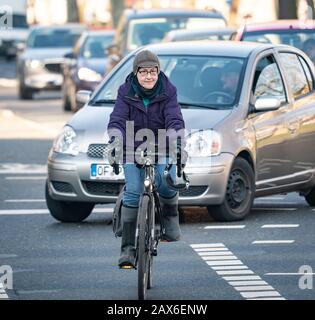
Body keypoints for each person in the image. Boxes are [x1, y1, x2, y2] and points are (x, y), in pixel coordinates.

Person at [106, 50, 186, 269]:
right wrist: (115, 141)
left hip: (162, 145)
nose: (149, 76)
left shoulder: (168, 91)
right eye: (144, 72)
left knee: (165, 179)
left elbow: (174, 119)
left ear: (159, 72)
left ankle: (170, 217)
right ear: (136, 73)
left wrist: (177, 142)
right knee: (132, 190)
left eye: (153, 72)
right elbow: (118, 120)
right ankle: (128, 249)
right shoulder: (125, 92)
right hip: (132, 147)